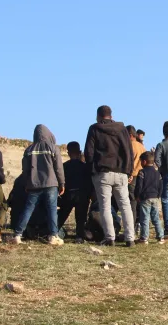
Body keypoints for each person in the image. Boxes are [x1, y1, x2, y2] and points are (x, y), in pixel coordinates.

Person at [84, 105, 135, 247]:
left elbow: (89, 152)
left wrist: (92, 170)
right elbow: (129, 151)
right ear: (111, 116)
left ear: (98, 116)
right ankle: (130, 238)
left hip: (102, 173)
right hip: (121, 172)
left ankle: (109, 237)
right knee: (125, 205)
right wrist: (129, 171)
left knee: (105, 206)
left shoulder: (94, 129)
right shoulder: (122, 129)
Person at [11, 125, 66, 245]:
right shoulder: (53, 148)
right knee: (52, 210)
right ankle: (53, 236)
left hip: (34, 185)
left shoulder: (29, 150)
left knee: (28, 209)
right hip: (50, 184)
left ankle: (17, 235)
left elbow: (25, 170)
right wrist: (62, 183)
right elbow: (58, 168)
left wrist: (26, 183)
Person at [58, 141, 92, 243]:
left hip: (67, 195)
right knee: (81, 218)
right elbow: (89, 182)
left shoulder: (64, 167)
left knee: (62, 216)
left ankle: (53, 231)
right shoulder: (85, 167)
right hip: (82, 195)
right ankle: (79, 236)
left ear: (68, 153)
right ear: (79, 152)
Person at [134, 151, 164, 244]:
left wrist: (137, 196)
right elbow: (161, 186)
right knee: (156, 218)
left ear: (144, 162)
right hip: (155, 197)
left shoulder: (142, 172)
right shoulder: (157, 173)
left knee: (145, 218)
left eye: (141, 161)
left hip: (145, 198)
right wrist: (158, 195)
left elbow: (139, 186)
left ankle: (144, 238)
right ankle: (161, 237)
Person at [127, 125, 147, 226]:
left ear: (130, 135)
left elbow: (128, 163)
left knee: (132, 203)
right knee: (140, 202)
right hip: (142, 176)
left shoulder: (129, 146)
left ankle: (132, 225)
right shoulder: (142, 146)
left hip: (132, 177)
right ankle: (140, 224)